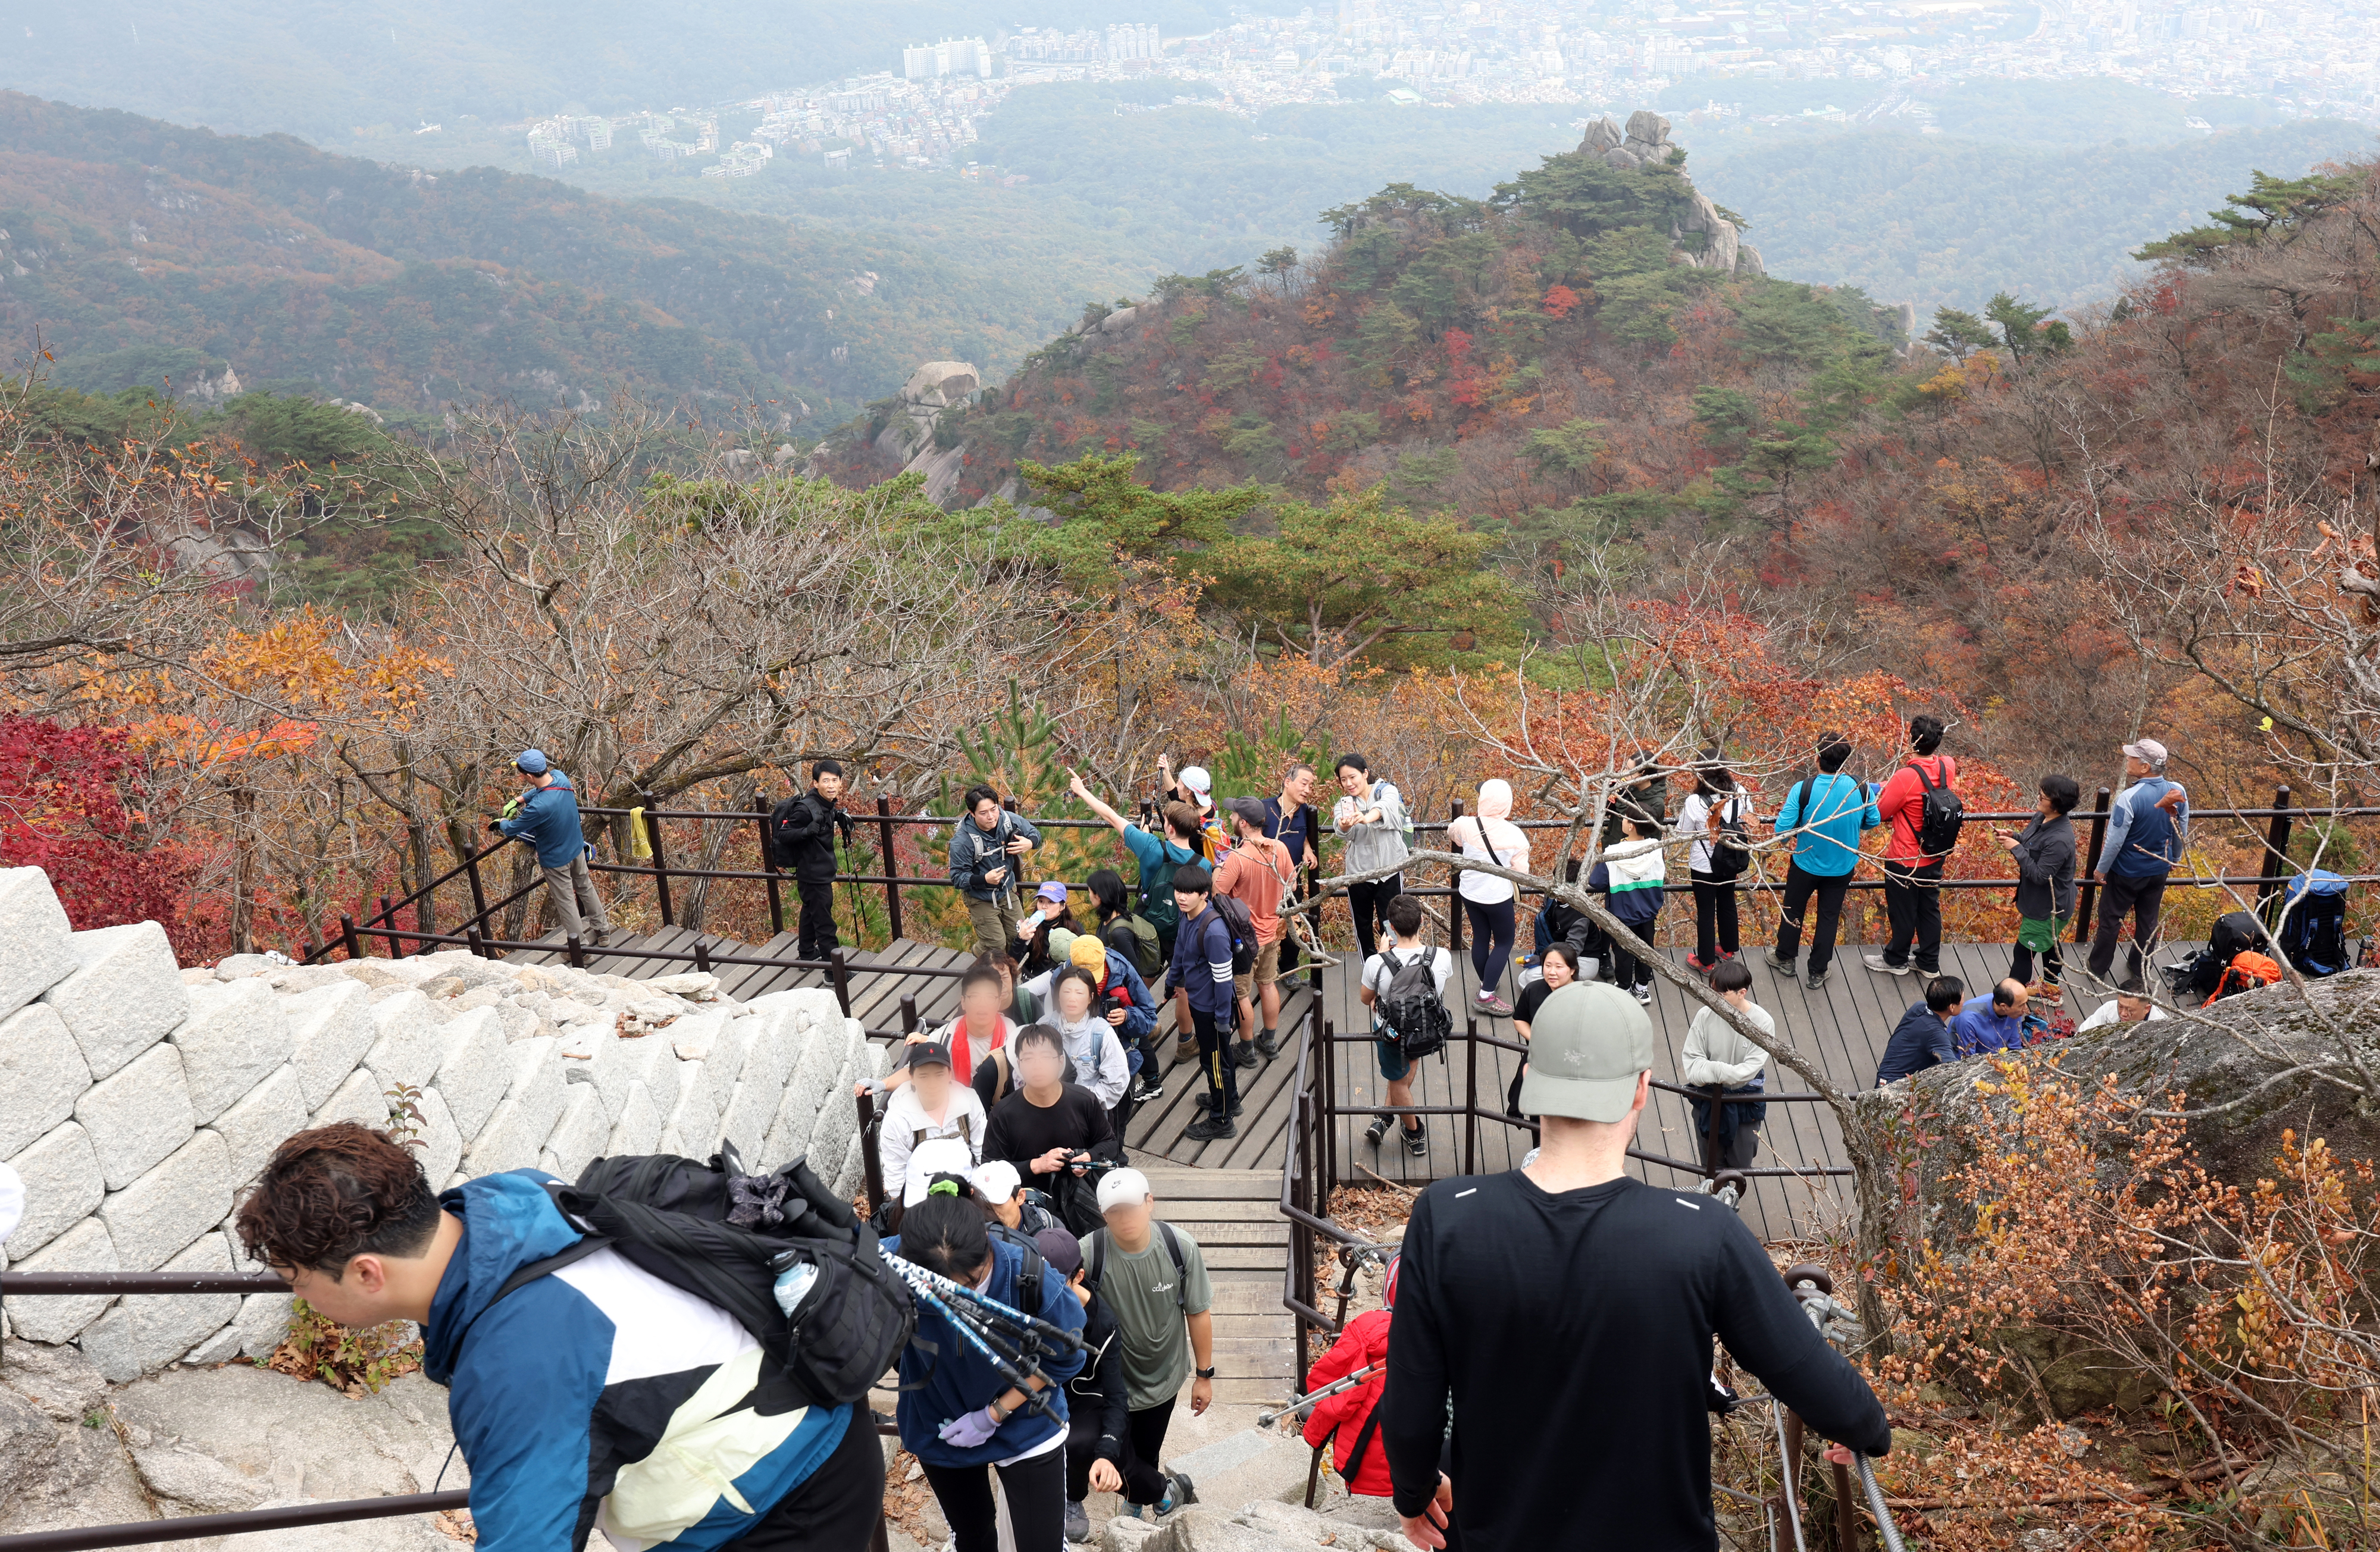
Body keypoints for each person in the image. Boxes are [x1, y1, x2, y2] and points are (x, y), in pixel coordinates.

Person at [1379, 982, 1891, 1551]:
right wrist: (1865, 1428)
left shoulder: (1445, 1217)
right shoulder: (1701, 1231)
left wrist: (1413, 1490)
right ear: (1641, 1089)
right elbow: (1811, 1376)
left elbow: (1410, 1406)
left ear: (1528, 1079)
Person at [234, 1124, 881, 1550]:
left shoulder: (520, 1361)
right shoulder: (508, 1202)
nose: (298, 1294)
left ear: (367, 1271)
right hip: (807, 1431)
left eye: (297, 1277)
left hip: (784, 1504)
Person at [886, 1190, 1086, 1552]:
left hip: (1028, 1420)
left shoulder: (1031, 1277)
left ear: (988, 1247)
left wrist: (993, 1414)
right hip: (939, 1421)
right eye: (945, 1287)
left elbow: (1064, 1358)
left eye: (973, 1279)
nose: (962, 1295)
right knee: (972, 1538)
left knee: (1041, 1545)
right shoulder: (896, 1263)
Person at [1079, 1168, 1211, 1523]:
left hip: (1164, 1377)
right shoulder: (1091, 1253)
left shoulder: (1179, 1247)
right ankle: (1158, 1492)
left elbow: (1198, 1312)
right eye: (1115, 1212)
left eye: (1132, 1207)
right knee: (1117, 1449)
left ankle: (1139, 1501)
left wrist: (1204, 1375)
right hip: (1113, 1382)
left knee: (1148, 1449)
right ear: (1104, 1215)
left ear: (1150, 1203)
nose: (1125, 1219)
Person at [1768, 733, 1881, 993]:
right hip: (1842, 866)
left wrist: (1791, 836)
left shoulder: (1803, 789)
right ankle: (1817, 972)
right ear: (1845, 762)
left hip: (1806, 862)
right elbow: (1873, 820)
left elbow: (1782, 829)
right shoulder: (1860, 788)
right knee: (1828, 917)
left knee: (1793, 909)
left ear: (1817, 757)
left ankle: (1785, 958)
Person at [982, 1024, 1119, 1234]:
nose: (1038, 1065)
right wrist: (1036, 1165)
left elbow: (1110, 1144)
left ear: (1061, 1062)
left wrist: (1089, 1157)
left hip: (1081, 1204)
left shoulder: (1083, 1100)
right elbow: (990, 1169)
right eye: (1028, 1059)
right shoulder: (1003, 1113)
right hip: (1028, 1212)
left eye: (1046, 1057)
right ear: (1018, 1064)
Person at [1070, 772, 1205, 965]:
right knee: (1183, 985)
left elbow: (1112, 817)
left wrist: (1083, 791)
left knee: (1145, 972)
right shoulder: (1204, 864)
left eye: (1165, 822)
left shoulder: (1150, 846)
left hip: (1149, 927)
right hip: (1182, 931)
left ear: (1171, 829)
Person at [1047, 1228, 1130, 1543]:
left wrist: (1106, 1453)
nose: (1047, 1296)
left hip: (1082, 1401)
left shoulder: (1103, 1322)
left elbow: (1117, 1397)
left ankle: (1073, 1496)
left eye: (1057, 1286)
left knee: (1096, 1449)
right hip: (1038, 1391)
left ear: (1079, 1276)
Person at [2088, 738, 2191, 986]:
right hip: (2159, 869)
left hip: (2126, 871)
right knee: (2148, 920)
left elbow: (2114, 841)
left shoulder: (2129, 797)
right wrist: (2175, 858)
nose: (2128, 760)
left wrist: (2101, 869)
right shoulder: (2177, 791)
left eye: (2132, 757)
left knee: (2111, 918)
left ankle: (2098, 968)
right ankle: (2139, 966)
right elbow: (2181, 828)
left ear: (2145, 767)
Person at [1864, 715, 1959, 980]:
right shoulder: (1947, 766)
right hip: (1935, 852)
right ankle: (1929, 962)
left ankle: (1896, 959)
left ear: (1912, 740)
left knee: (1903, 909)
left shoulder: (1905, 775)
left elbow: (1881, 812)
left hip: (1906, 856)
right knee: (1929, 907)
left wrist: (1882, 789)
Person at [1359, 893, 1452, 1159]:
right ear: (1421, 922)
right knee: (1405, 1071)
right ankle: (1386, 1117)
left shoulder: (1377, 962)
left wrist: (1380, 956)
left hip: (1392, 1032)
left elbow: (1366, 998)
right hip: (1426, 1028)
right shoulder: (1441, 956)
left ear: (1392, 928)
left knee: (1398, 1082)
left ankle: (1414, 1133)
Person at [489, 748, 613, 948]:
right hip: (576, 848)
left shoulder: (538, 807)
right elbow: (545, 786)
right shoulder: (561, 778)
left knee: (566, 902)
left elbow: (512, 829)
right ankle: (603, 931)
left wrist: (502, 821)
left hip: (556, 860)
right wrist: (521, 799)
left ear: (529, 776)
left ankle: (579, 948)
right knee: (585, 887)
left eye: (522, 774)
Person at [1300, 1255, 1396, 1504]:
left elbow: (1324, 1383)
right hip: (1423, 1470)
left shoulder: (1367, 1328)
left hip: (1363, 1464)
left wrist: (1314, 1431)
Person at [1213, 798, 1298, 1064]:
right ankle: (1270, 1040)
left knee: (1241, 994)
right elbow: (1292, 885)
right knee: (1268, 984)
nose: (1231, 819)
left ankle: (1247, 1048)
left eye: (1234, 815)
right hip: (1272, 931)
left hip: (1243, 939)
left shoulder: (1238, 858)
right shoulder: (1280, 849)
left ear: (1243, 823)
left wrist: (1218, 867)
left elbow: (1218, 893)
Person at [1164, 866, 1241, 1143]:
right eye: (1178, 891)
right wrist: (1171, 982)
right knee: (1220, 1057)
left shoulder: (1214, 932)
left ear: (1204, 894)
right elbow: (1181, 953)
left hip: (1212, 1009)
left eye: (1188, 893)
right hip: (1199, 1002)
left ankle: (1222, 1120)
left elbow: (1224, 980)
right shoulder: (1187, 917)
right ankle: (1230, 1100)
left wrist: (1222, 1020)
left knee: (1214, 1062)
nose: (1181, 897)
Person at [1446, 779, 1530, 1018]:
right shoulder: (1515, 835)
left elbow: (1454, 835)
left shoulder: (1466, 824)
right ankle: (1485, 996)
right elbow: (1520, 873)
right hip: (1497, 895)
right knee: (1504, 941)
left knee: (1480, 937)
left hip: (1470, 891)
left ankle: (1488, 982)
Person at [1679, 958, 1771, 1170]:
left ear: (1742, 993)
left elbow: (1749, 1071)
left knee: (1741, 1162)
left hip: (1745, 1101)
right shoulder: (1705, 1015)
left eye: (1721, 995)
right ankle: (1714, 1197)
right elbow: (1692, 1066)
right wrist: (1723, 1072)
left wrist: (1711, 1069)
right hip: (1708, 1098)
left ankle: (1731, 1199)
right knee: (1710, 1161)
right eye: (1713, 992)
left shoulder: (1763, 1022)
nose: (1714, 999)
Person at [877, 1042, 988, 1208]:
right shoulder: (898, 1118)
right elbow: (897, 1175)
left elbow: (983, 1155)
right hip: (921, 1197)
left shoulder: (969, 1101)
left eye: (939, 1075)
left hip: (967, 1191)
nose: (932, 1084)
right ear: (912, 1078)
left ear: (950, 1074)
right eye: (924, 1077)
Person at [774, 758, 857, 962]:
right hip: (813, 872)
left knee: (811, 912)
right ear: (816, 784)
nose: (831, 785)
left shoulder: (824, 804)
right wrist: (805, 831)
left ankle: (807, 953)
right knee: (825, 922)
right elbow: (783, 835)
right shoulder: (805, 809)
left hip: (818, 870)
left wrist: (838, 815)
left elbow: (824, 813)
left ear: (840, 783)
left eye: (835, 780)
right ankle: (833, 970)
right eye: (826, 781)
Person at [2002, 773, 2080, 988]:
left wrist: (2016, 848)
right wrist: (2014, 837)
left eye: (2044, 796)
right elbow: (2031, 844)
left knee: (2023, 952)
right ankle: (2051, 988)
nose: (2039, 797)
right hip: (2047, 903)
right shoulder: (2042, 817)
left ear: (2056, 805)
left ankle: (2013, 997)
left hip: (2048, 908)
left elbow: (2040, 876)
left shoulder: (2060, 839)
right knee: (2049, 945)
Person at [1332, 754, 1411, 964]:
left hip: (1389, 870)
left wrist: (1366, 818)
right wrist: (1345, 825)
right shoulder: (1344, 804)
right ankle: (1369, 965)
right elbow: (1341, 831)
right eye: (1343, 780)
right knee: (1363, 923)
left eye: (1353, 777)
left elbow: (1386, 808)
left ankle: (1392, 961)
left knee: (1391, 922)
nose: (1348, 784)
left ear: (1365, 773)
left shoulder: (1387, 790)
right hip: (1359, 873)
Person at [1585, 803, 1665, 1005]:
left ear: (1631, 826)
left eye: (1626, 818)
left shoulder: (1614, 852)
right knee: (1646, 949)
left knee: (1622, 952)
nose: (1622, 820)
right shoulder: (1655, 849)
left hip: (1621, 913)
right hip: (1648, 911)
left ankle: (1624, 985)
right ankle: (1642, 989)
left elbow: (1596, 881)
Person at [1677, 757, 1751, 973]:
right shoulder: (1739, 792)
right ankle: (1728, 949)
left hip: (1704, 864)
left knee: (1706, 911)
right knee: (1727, 903)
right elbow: (1747, 819)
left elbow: (1683, 831)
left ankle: (1706, 961)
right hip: (1731, 859)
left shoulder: (1696, 801)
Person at [951, 785, 1042, 958]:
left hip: (1007, 891)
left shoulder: (1008, 820)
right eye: (983, 813)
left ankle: (1009, 973)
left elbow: (1035, 833)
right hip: (980, 897)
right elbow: (957, 877)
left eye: (994, 809)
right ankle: (982, 956)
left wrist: (1029, 843)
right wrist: (984, 879)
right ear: (972, 814)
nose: (991, 816)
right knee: (996, 944)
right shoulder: (963, 840)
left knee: (1021, 936)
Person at [1506, 941, 1580, 1122]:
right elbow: (1519, 1019)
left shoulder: (1583, 995)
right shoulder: (1534, 989)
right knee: (1537, 1113)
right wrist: (1535, 1039)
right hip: (1539, 1060)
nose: (1552, 972)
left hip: (1573, 1066)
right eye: (1548, 966)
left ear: (1572, 970)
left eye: (1559, 967)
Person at [1045, 965, 1134, 1113]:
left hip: (1086, 1114)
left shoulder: (1101, 1033)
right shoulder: (1045, 1026)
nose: (1072, 998)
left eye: (1079, 993)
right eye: (1066, 992)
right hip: (1047, 1112)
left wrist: (1080, 1098)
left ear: (1090, 998)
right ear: (1058, 996)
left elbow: (1117, 1081)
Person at [1874, 975, 1964, 1086]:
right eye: (1962, 999)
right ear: (1952, 1007)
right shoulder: (1936, 1034)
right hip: (1893, 1085)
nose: (1964, 1002)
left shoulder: (1919, 1007)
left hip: (1885, 1075)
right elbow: (1954, 1070)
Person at [1086, 867, 1164, 986]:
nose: (1090, 896)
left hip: (1120, 993)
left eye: (1090, 892)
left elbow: (1133, 974)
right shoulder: (1109, 918)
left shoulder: (1118, 932)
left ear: (1099, 897)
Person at [1158, 758, 1232, 860]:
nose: (1176, 786)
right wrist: (1166, 772)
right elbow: (1177, 796)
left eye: (1179, 784)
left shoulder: (1191, 828)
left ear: (1188, 792)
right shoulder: (1211, 805)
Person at [971, 1159, 1064, 1239]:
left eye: (998, 1204)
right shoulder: (967, 1234)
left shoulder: (1048, 1226)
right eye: (984, 1206)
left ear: (1020, 1197)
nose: (991, 1212)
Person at [1011, 882, 1079, 979]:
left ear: (1063, 906)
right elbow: (1011, 963)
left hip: (1066, 979)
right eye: (1041, 901)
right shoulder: (1032, 929)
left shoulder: (1074, 928)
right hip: (1036, 980)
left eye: (1051, 902)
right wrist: (1020, 939)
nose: (1044, 907)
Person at [1951, 978, 2030, 1057]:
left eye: (2026, 1003)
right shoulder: (1968, 1020)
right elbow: (1968, 1059)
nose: (2025, 1009)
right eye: (2022, 1005)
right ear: (2004, 1007)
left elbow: (2015, 1047)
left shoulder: (2015, 1011)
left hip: (1998, 1058)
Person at [2077, 979, 2172, 1032]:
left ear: (2147, 1009)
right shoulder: (2109, 1008)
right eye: (2120, 1006)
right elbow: (2083, 1032)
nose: (2123, 1013)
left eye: (2130, 1010)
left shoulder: (2162, 1026)